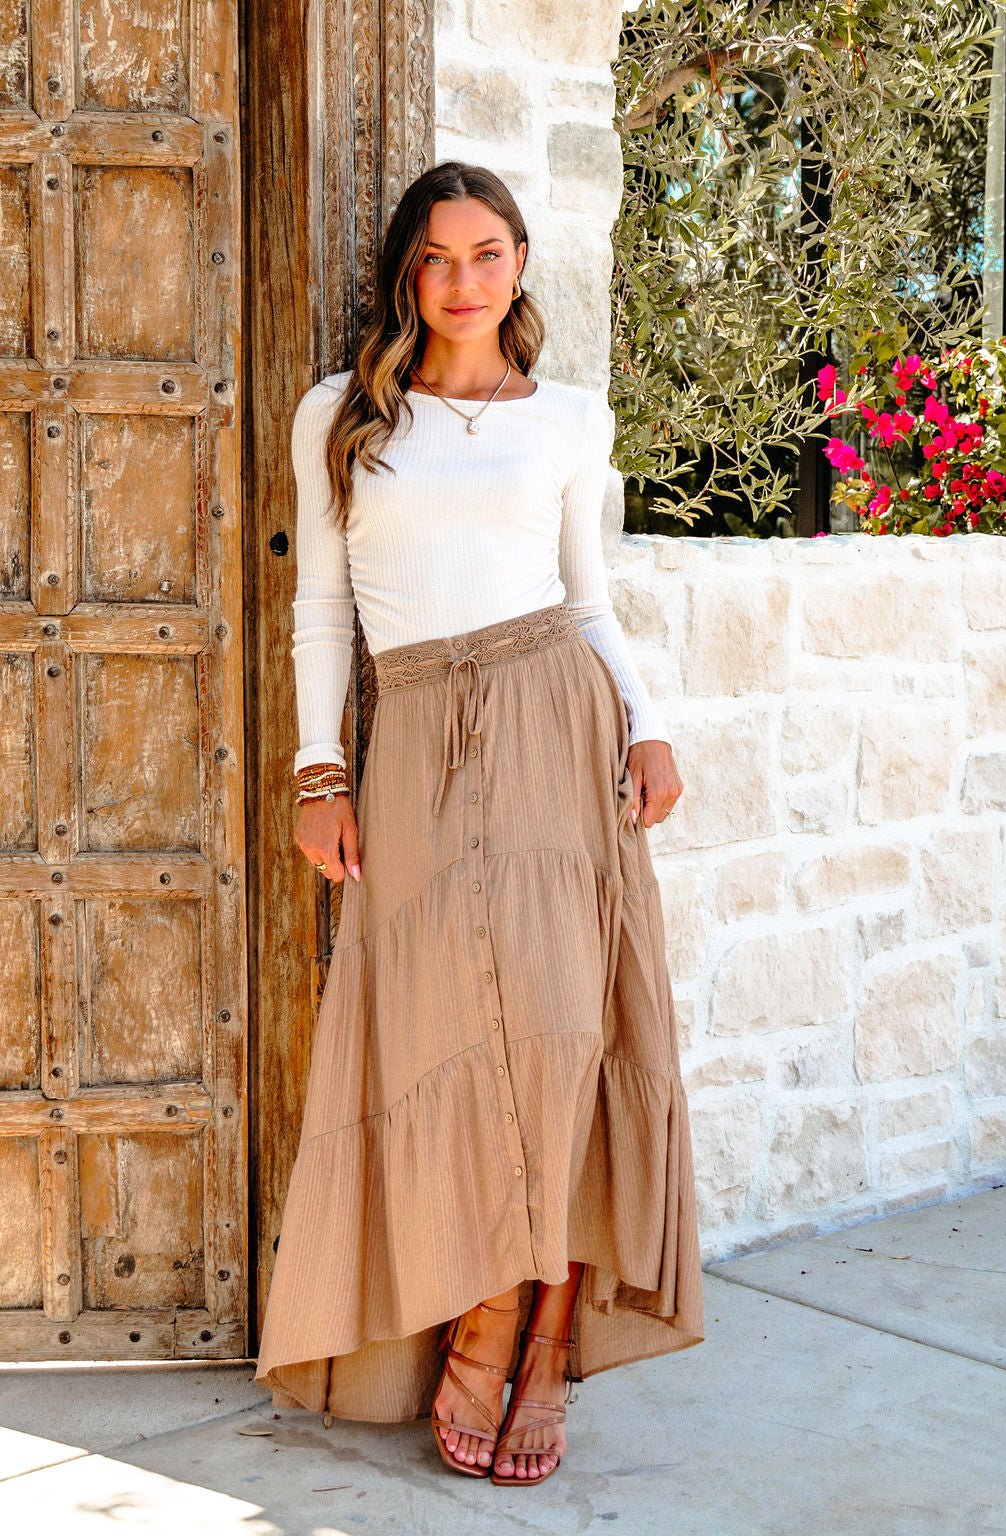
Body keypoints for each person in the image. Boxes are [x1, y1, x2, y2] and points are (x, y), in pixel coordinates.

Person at [253, 159, 704, 1487]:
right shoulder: (340, 414)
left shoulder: (567, 416)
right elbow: (321, 609)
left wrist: (648, 720)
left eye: (488, 254)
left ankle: (531, 1328)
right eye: (438, 258)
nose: (463, 282)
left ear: (519, 262)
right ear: (409, 272)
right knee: (448, 1036)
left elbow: (588, 595)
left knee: (567, 1028)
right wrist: (318, 770)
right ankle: (481, 1302)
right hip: (416, 736)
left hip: (553, 718)